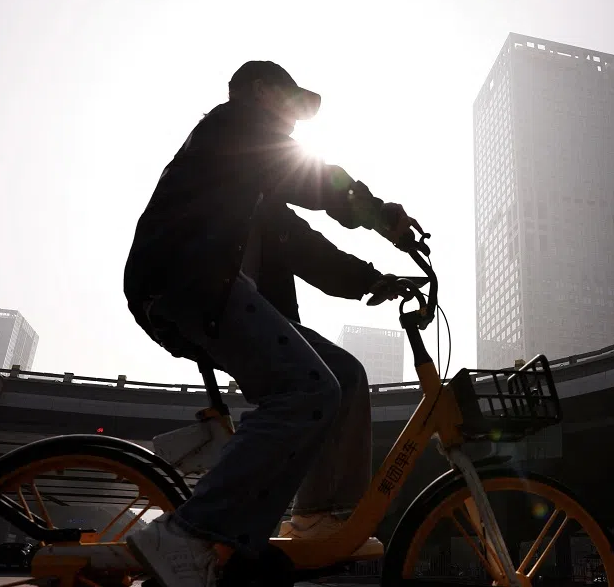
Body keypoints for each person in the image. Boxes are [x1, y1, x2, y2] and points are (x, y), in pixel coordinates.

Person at [122, 60, 421, 587]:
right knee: (306, 391)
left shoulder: (254, 189)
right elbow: (315, 178)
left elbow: (311, 251)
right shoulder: (233, 127)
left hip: (224, 296)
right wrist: (381, 214)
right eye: (290, 102)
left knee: (344, 376)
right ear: (260, 92)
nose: (295, 122)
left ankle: (313, 516)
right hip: (187, 281)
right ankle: (189, 532)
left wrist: (376, 280)